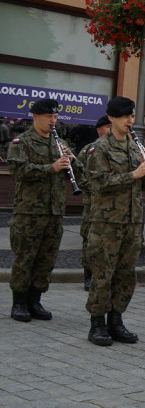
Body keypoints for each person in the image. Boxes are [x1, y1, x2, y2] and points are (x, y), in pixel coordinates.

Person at [83, 96, 145, 346]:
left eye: (132, 116)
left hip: (132, 221)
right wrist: (132, 174)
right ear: (111, 118)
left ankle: (116, 319)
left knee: (126, 274)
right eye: (125, 117)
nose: (130, 121)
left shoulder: (135, 146)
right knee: (103, 273)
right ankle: (97, 323)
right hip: (107, 222)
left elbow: (143, 185)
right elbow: (98, 183)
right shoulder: (99, 148)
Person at [6, 99, 70, 323]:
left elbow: (75, 172)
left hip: (54, 211)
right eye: (48, 117)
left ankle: (35, 300)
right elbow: (18, 169)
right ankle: (19, 302)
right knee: (26, 257)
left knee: (46, 259)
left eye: (55, 117)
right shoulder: (21, 141)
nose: (53, 121)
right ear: (35, 117)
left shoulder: (59, 142)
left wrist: (71, 161)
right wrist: (50, 167)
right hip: (30, 212)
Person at [76, 115, 111, 292]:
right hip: (93, 205)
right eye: (108, 127)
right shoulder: (89, 150)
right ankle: (88, 275)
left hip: (114, 208)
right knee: (89, 241)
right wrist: (93, 187)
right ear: (99, 130)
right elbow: (78, 174)